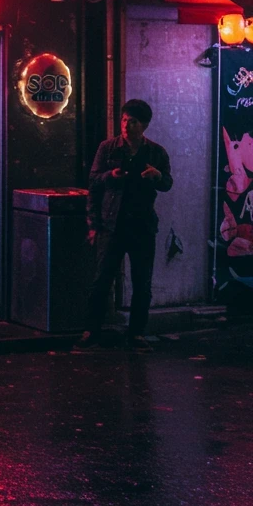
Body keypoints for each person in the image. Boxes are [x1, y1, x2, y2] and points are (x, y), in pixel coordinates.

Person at [80, 99, 173, 350]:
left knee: (142, 282)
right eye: (123, 120)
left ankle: (136, 334)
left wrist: (158, 176)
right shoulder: (108, 148)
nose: (126, 125)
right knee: (101, 280)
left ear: (143, 125)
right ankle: (92, 329)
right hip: (112, 224)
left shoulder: (156, 152)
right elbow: (93, 183)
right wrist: (94, 222)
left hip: (142, 226)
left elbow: (167, 183)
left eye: (132, 121)